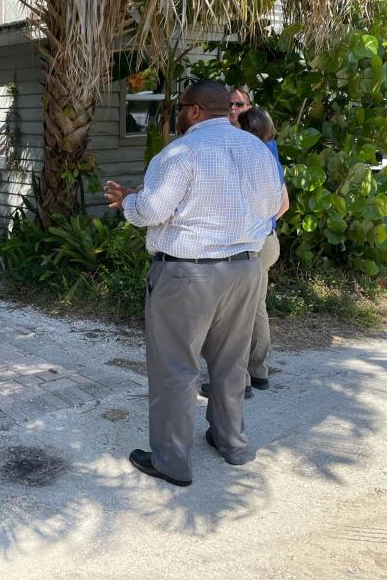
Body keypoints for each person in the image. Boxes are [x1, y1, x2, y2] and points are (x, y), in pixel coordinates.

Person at [104, 80, 282, 486]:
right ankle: (231, 441)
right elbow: (273, 205)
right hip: (244, 269)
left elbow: (150, 211)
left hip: (188, 273)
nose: (178, 114)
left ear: (196, 110)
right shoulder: (256, 149)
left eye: (181, 107)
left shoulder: (180, 152)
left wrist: (128, 201)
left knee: (175, 367)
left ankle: (171, 461)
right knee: (231, 362)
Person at [237, 107, 289, 391]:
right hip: (269, 241)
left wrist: (253, 228)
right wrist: (266, 224)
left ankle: (239, 380)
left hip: (254, 245)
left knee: (239, 312)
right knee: (257, 308)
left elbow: (282, 205)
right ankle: (258, 371)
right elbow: (282, 205)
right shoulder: (270, 155)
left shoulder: (249, 158)